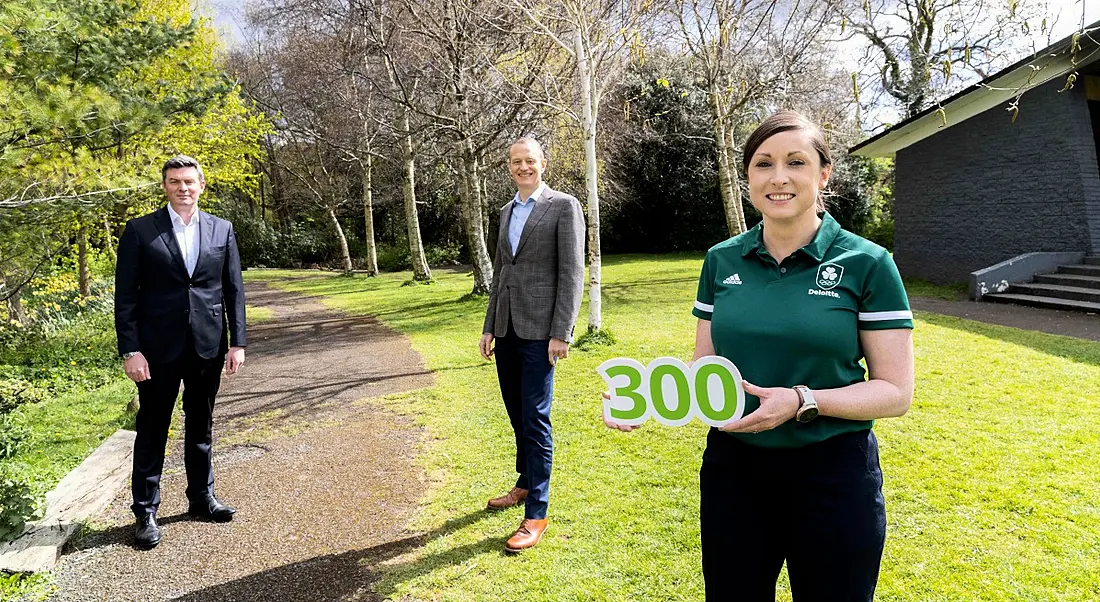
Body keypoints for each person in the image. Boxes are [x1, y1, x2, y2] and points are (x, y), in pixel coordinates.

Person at [605, 111, 915, 601]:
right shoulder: (721, 260)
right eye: (763, 164)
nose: (779, 177)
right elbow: (705, 366)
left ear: (823, 174)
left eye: (796, 162)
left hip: (833, 474)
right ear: (747, 176)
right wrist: (650, 397)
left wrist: (801, 401)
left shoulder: (869, 263)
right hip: (735, 470)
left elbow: (895, 392)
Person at [114, 155, 247, 549]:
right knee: (153, 428)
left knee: (201, 426)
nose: (182, 188)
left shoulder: (221, 229)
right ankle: (145, 511)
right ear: (165, 186)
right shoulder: (140, 231)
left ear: (201, 185)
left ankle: (201, 499)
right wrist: (131, 350)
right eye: (174, 181)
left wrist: (237, 342)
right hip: (156, 351)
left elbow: (233, 290)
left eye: (189, 181)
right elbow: (125, 297)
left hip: (206, 346)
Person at [479, 137, 585, 553]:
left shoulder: (563, 206)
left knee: (536, 419)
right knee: (516, 413)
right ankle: (525, 484)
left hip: (542, 333)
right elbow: (502, 273)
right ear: (509, 166)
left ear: (543, 163)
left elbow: (572, 272)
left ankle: (536, 514)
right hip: (506, 329)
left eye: (530, 161)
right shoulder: (505, 211)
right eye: (516, 162)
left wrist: (562, 331)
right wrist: (489, 326)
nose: (523, 167)